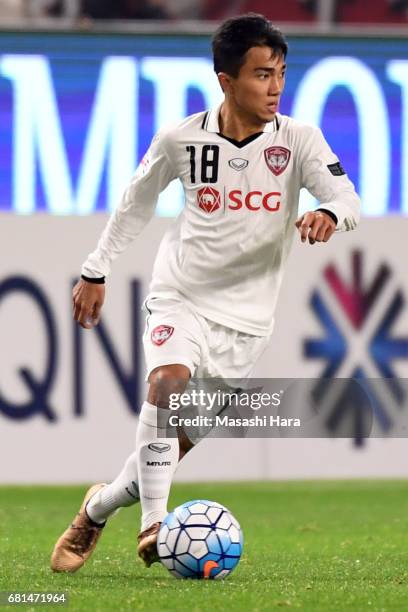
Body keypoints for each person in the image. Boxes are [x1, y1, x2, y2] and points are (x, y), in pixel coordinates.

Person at [50, 12, 360, 572]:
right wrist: (96, 269)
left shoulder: (298, 140)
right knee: (167, 381)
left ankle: (95, 510)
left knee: (169, 451)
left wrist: (329, 213)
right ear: (225, 79)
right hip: (181, 295)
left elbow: (347, 196)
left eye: (281, 74)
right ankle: (154, 525)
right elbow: (135, 204)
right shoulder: (181, 138)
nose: (275, 88)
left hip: (246, 324)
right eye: (263, 75)